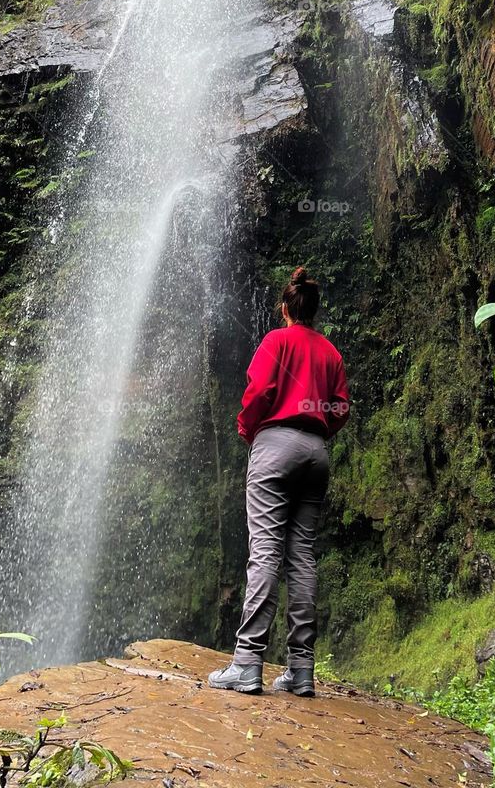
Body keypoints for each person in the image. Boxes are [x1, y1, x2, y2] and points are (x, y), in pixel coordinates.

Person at [208, 266, 350, 698]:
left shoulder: (276, 341)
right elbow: (340, 408)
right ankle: (301, 671)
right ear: (314, 309)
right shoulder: (330, 353)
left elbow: (258, 391)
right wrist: (320, 429)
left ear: (286, 308)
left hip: (276, 446)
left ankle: (248, 662)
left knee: (266, 550)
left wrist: (250, 428)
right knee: (302, 556)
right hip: (316, 453)